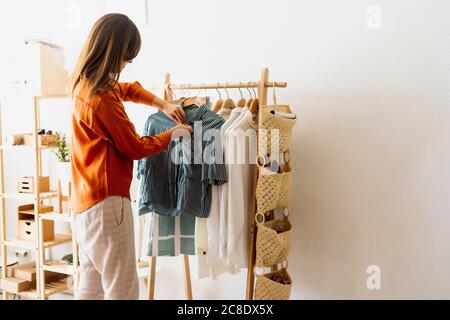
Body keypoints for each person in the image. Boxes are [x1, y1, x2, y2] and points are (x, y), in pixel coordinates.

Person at [69, 13, 192, 300]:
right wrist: (171, 135)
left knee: (91, 286)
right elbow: (134, 147)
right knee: (122, 289)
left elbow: (126, 89)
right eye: (126, 57)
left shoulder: (84, 86)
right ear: (114, 51)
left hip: (83, 205)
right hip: (107, 205)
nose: (127, 64)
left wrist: (160, 102)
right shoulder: (101, 99)